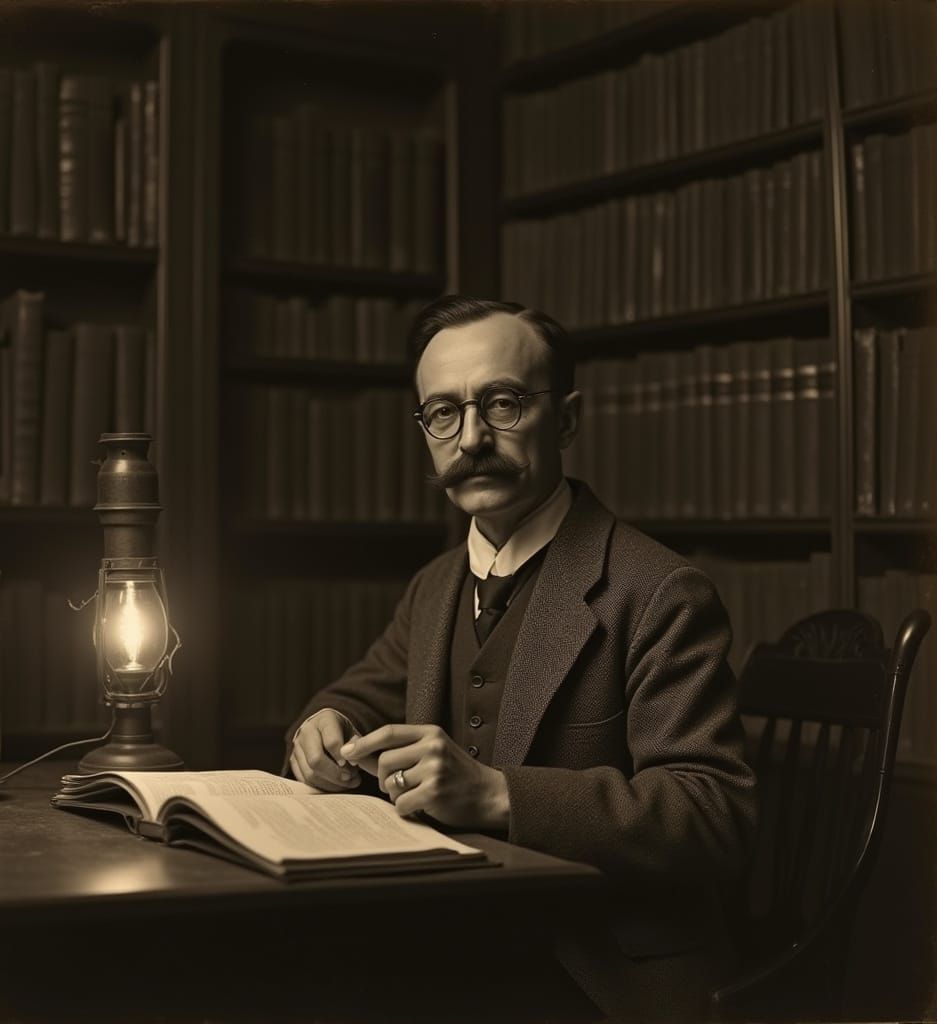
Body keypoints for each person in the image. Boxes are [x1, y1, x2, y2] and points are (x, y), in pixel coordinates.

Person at [285, 295, 757, 1021]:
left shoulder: (658, 590)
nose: (470, 438)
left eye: (501, 404)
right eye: (443, 413)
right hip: (451, 946)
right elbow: (362, 694)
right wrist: (325, 722)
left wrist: (500, 794)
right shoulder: (436, 584)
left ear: (564, 419)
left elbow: (712, 813)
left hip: (599, 973)